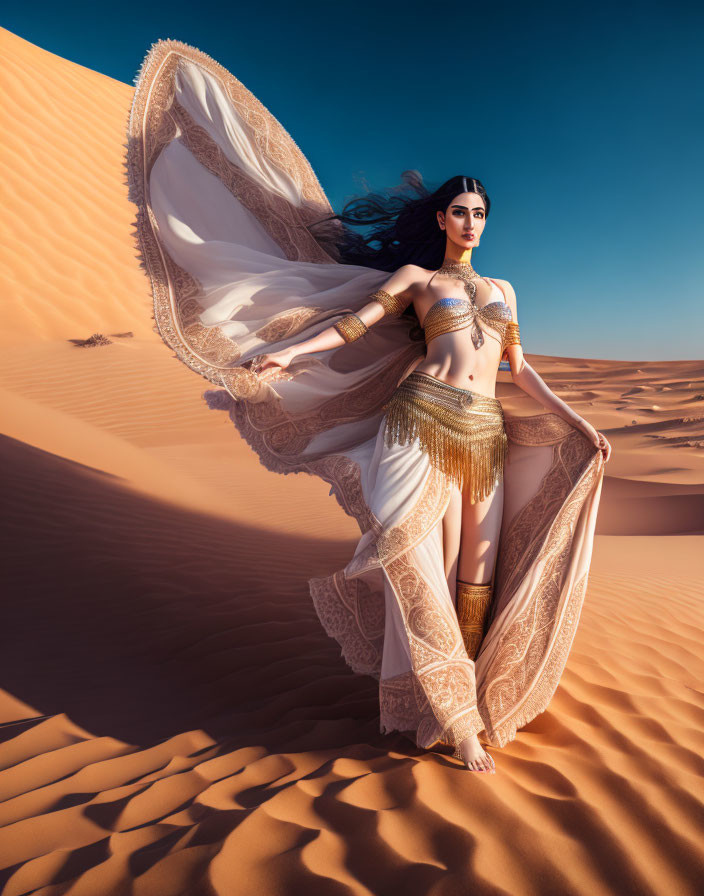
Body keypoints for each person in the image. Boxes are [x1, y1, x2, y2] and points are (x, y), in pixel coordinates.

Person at [126, 39, 608, 775]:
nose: (471, 223)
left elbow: (519, 369)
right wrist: (290, 354)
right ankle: (458, 720)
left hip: (485, 434)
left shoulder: (504, 292)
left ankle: (466, 693)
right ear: (440, 219)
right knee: (424, 562)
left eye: (480, 213)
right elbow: (352, 326)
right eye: (459, 212)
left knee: (478, 572)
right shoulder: (418, 278)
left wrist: (579, 424)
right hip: (418, 424)